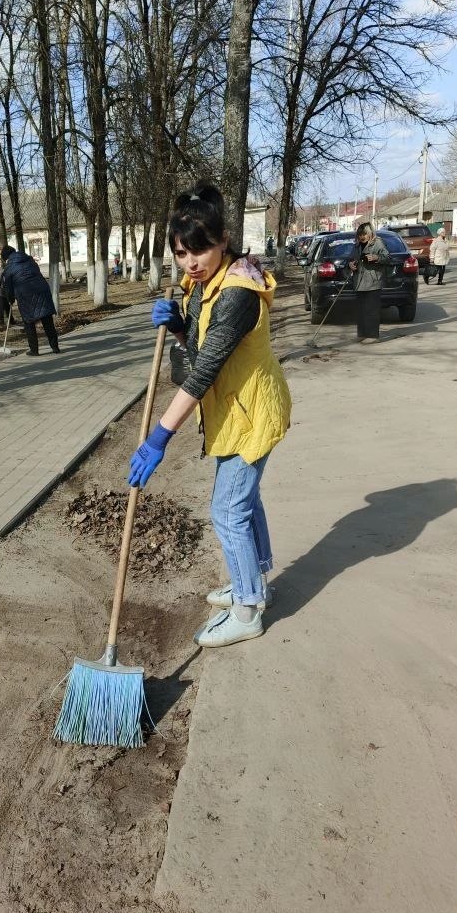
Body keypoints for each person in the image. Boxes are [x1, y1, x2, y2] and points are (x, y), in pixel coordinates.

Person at [127, 181, 291, 649]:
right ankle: (255, 586)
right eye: (181, 253)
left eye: (199, 250)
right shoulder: (205, 284)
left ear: (222, 241)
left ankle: (246, 611)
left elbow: (201, 373)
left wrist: (159, 436)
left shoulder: (238, 291)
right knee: (244, 501)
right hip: (234, 411)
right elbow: (199, 346)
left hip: (252, 411)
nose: (190, 262)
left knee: (227, 510)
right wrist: (180, 325)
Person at [0, 244, 60, 355]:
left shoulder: (8, 268)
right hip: (42, 290)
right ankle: (55, 347)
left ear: (6, 258)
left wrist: (10, 299)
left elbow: (8, 287)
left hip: (26, 294)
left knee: (29, 322)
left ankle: (34, 350)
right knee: (47, 321)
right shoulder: (29, 260)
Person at [348, 222, 389, 344]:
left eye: (364, 234)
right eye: (360, 234)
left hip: (373, 281)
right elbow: (350, 259)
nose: (362, 237)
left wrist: (376, 257)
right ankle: (362, 334)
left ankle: (373, 336)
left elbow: (387, 257)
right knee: (361, 310)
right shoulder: (356, 246)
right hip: (359, 282)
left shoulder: (378, 243)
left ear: (370, 233)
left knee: (371, 310)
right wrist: (350, 264)